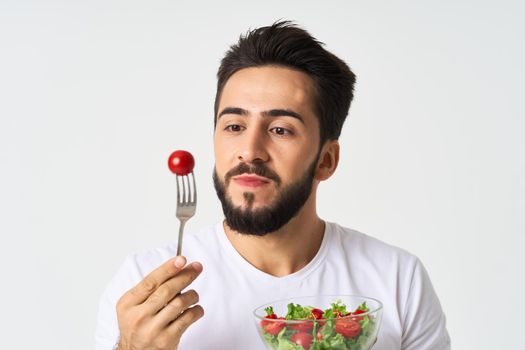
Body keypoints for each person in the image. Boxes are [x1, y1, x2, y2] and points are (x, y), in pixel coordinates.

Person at [95, 21, 450, 350]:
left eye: (280, 129)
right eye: (234, 126)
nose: (250, 151)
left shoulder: (398, 280)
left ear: (326, 160)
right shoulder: (142, 286)